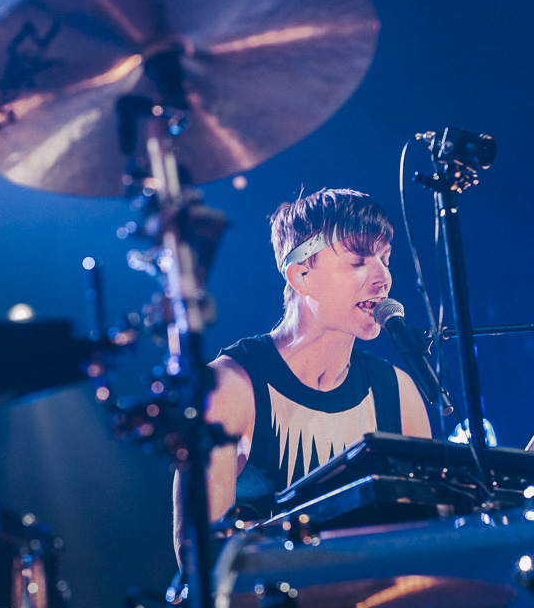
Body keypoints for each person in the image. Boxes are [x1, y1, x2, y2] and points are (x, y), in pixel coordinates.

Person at [173, 188, 432, 556]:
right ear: (301, 274)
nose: (383, 277)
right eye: (359, 260)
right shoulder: (232, 386)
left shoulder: (399, 391)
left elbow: (431, 533)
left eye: (385, 258)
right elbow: (196, 555)